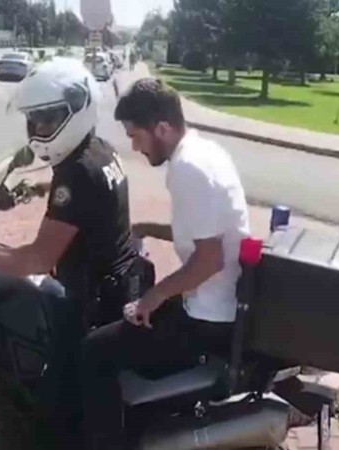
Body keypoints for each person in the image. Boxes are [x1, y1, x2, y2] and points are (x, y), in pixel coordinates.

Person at [79, 77, 250, 449]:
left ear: (161, 128)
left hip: (207, 319)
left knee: (93, 353)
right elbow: (203, 233)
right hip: (215, 305)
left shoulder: (188, 168)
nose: (134, 147)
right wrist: (148, 229)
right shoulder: (204, 151)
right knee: (126, 328)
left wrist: (153, 298)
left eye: (135, 136)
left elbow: (209, 259)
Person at [0, 58, 140, 449]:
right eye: (33, 120)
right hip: (116, 283)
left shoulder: (76, 173)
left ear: (78, 110)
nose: (38, 129)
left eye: (48, 119)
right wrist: (32, 192)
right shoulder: (100, 150)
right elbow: (84, 208)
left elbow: (36, 259)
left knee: (46, 398)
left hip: (91, 302)